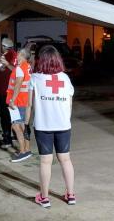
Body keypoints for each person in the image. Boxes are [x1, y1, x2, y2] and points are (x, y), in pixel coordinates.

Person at [28, 45, 76, 208]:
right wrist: (64, 120)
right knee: (65, 159)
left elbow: (30, 104)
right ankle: (70, 195)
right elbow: (69, 104)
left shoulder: (34, 78)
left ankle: (44, 197)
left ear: (40, 60)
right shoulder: (65, 79)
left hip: (43, 125)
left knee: (45, 162)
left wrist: (27, 122)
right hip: (63, 124)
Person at [7, 48, 33, 162]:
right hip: (24, 99)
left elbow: (17, 84)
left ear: (22, 56)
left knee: (16, 126)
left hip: (17, 101)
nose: (16, 57)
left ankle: (22, 152)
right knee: (22, 125)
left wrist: (12, 100)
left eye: (18, 55)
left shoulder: (19, 68)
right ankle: (26, 149)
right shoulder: (27, 66)